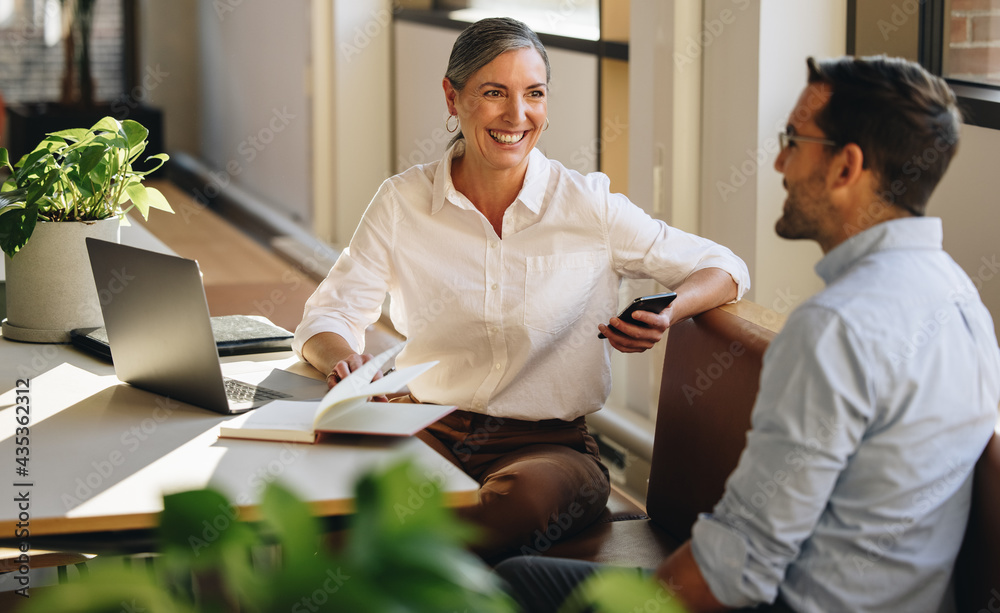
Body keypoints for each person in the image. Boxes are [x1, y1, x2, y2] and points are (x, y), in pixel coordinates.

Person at [495, 55, 1000, 611]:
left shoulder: (835, 328)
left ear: (845, 168)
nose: (779, 161)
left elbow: (733, 571)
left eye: (794, 140)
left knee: (515, 581)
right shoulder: (962, 299)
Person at [293, 17, 749, 562]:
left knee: (522, 502)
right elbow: (329, 314)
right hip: (425, 424)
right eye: (494, 93)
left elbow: (723, 266)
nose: (517, 115)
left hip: (548, 449)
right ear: (452, 97)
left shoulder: (589, 207)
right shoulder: (401, 203)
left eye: (534, 94)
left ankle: (396, 563)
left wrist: (669, 312)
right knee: (320, 477)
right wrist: (343, 360)